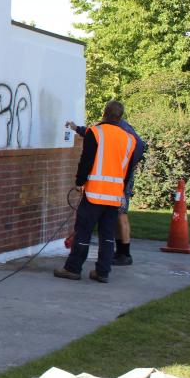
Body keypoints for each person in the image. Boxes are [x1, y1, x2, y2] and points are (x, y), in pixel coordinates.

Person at [55, 101, 138, 283]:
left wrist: (79, 182)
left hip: (95, 193)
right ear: (120, 117)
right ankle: (102, 272)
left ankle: (73, 268)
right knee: (107, 235)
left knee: (83, 231)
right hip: (115, 195)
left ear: (104, 114)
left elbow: (86, 160)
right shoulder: (129, 139)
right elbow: (128, 170)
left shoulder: (96, 132)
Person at [66, 112, 147, 265]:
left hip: (105, 187)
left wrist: (80, 181)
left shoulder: (119, 131)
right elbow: (93, 133)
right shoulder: (120, 131)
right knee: (107, 230)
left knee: (90, 227)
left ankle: (124, 253)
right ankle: (106, 267)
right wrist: (76, 128)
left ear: (105, 114)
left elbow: (89, 151)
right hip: (117, 185)